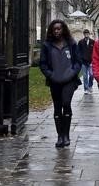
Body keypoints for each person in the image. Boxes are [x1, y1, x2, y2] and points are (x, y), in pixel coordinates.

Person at [39, 19, 82, 148]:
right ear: (52, 31)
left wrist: (72, 73)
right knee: (57, 107)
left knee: (66, 103)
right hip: (55, 81)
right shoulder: (47, 45)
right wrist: (50, 75)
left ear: (63, 29)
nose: (57, 31)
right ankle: (60, 136)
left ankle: (66, 135)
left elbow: (78, 62)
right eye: (54, 29)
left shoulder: (71, 43)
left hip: (69, 80)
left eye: (59, 28)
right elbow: (43, 64)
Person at [77, 28, 95, 93]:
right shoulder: (81, 42)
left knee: (92, 75)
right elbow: (78, 51)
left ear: (89, 34)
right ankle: (86, 89)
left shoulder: (93, 42)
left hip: (91, 62)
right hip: (84, 62)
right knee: (85, 76)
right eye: (85, 33)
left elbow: (95, 51)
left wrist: (93, 59)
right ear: (84, 34)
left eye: (87, 33)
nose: (86, 35)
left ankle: (90, 86)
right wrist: (80, 59)